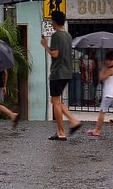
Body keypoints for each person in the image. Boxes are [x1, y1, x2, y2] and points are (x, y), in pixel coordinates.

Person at [40, 10, 82, 141]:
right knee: (56, 101)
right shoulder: (68, 35)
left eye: (52, 20)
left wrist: (45, 46)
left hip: (57, 72)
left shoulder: (56, 35)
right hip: (67, 72)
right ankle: (73, 121)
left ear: (54, 21)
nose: (51, 23)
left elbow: (55, 54)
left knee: (56, 103)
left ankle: (61, 132)